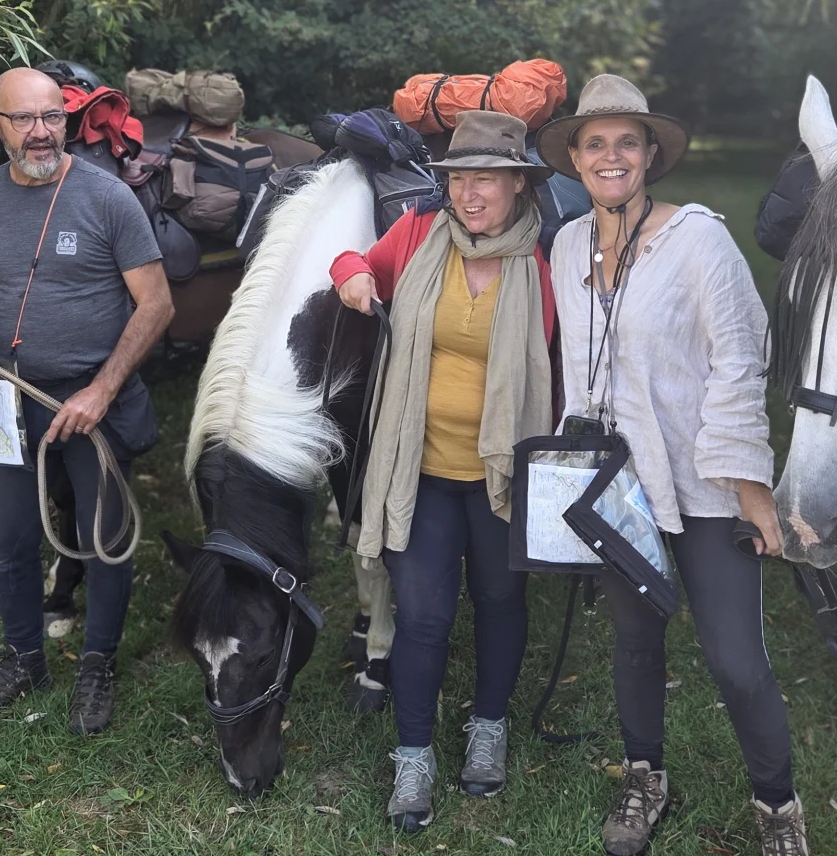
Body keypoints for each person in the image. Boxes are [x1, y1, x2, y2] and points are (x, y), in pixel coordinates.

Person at [537, 75, 808, 856]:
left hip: (704, 481)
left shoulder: (697, 239)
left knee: (736, 658)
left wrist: (750, 485)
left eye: (627, 141)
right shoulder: (566, 246)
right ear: (575, 159)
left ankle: (778, 806)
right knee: (634, 641)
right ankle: (643, 776)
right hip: (621, 489)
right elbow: (578, 370)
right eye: (595, 143)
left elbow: (741, 358)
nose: (611, 156)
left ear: (650, 153)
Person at [330, 110, 557, 832]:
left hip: (502, 475)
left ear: (519, 186)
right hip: (419, 467)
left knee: (499, 600)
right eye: (459, 178)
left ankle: (488, 727)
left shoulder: (543, 264)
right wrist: (354, 277)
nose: (469, 194)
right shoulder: (418, 236)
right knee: (424, 616)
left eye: (486, 179)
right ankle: (414, 755)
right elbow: (350, 261)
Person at [0, 67, 174, 734]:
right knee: (8, 539)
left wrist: (102, 388)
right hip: (4, 395)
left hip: (92, 398)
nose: (41, 132)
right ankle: (23, 658)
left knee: (105, 538)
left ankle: (97, 664)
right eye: (24, 119)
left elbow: (156, 304)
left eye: (52, 117)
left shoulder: (107, 198)